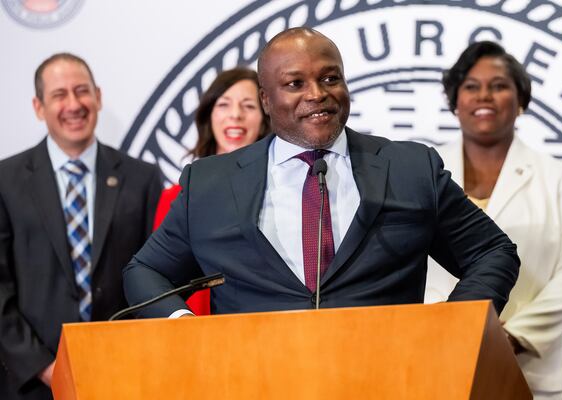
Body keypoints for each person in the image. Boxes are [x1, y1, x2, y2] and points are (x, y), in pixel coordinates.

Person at [123, 28, 519, 321]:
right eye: (295, 83)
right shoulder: (209, 183)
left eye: (330, 78)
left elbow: (493, 252)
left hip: (388, 381)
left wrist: (453, 328)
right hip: (251, 382)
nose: (317, 94)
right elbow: (146, 271)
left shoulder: (410, 168)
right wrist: (184, 326)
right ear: (266, 99)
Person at [425, 41, 562, 399]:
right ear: (455, 102)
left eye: (500, 86)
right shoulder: (421, 171)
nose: (484, 95)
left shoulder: (560, 177)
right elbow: (398, 257)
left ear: (520, 101)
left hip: (529, 374)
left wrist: (512, 336)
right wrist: (442, 328)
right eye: (471, 86)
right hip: (431, 360)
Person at [0, 53, 162, 399]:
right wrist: (44, 367)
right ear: (38, 106)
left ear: (98, 96)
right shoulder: (5, 181)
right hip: (30, 383)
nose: (74, 105)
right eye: (59, 95)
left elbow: (155, 277)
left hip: (123, 375)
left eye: (82, 91)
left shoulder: (142, 178)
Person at [153, 67, 269, 315]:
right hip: (193, 334)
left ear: (263, 120)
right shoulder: (175, 197)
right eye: (224, 105)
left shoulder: (279, 191)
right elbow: (157, 276)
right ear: (209, 116)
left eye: (248, 106)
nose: (235, 115)